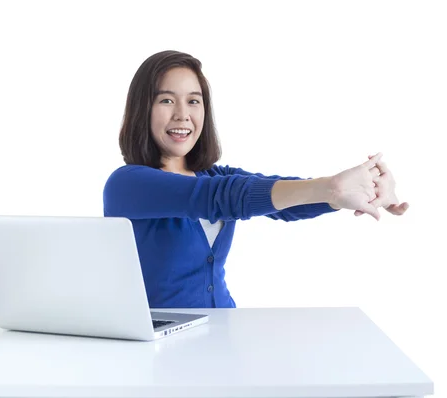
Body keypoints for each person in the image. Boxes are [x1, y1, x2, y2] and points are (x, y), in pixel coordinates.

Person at [103, 50, 409, 309]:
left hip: (225, 333)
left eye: (194, 101)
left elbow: (286, 203)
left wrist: (361, 189)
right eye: (166, 101)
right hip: (160, 351)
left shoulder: (214, 175)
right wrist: (334, 187)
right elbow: (220, 198)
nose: (183, 114)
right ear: (143, 109)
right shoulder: (128, 184)